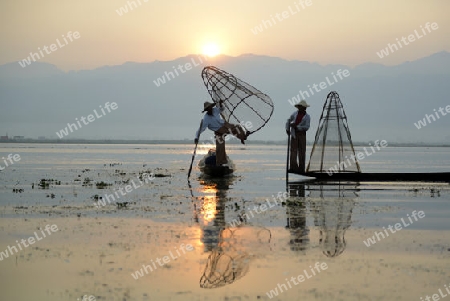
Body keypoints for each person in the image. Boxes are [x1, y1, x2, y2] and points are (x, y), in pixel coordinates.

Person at [195, 101, 248, 166]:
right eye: (208, 108)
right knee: (220, 146)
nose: (210, 109)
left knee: (237, 127)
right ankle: (220, 163)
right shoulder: (206, 119)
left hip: (224, 125)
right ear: (207, 110)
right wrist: (196, 137)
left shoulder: (215, 110)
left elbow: (222, 109)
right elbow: (200, 129)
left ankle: (243, 137)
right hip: (218, 131)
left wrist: (220, 104)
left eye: (210, 108)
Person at [286, 100, 310, 174]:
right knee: (293, 151)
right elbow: (288, 121)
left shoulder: (307, 116)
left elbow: (307, 127)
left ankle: (301, 169)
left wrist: (297, 127)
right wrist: (287, 129)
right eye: (300, 107)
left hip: (302, 134)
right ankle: (293, 167)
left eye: (303, 107)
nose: (302, 108)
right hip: (294, 134)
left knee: (302, 151)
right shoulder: (294, 114)